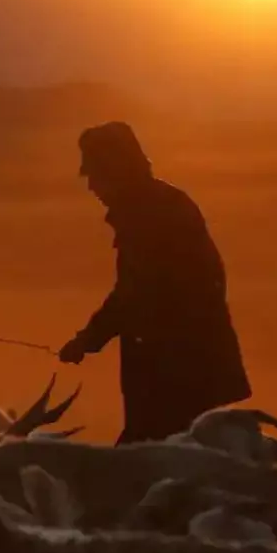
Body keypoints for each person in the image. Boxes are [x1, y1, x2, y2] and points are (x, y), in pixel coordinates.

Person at [57, 121, 251, 445]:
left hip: (177, 377)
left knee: (151, 462)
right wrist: (89, 339)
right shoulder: (156, 206)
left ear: (115, 170)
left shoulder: (150, 215)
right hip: (183, 372)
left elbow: (137, 293)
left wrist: (88, 339)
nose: (91, 186)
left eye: (95, 175)